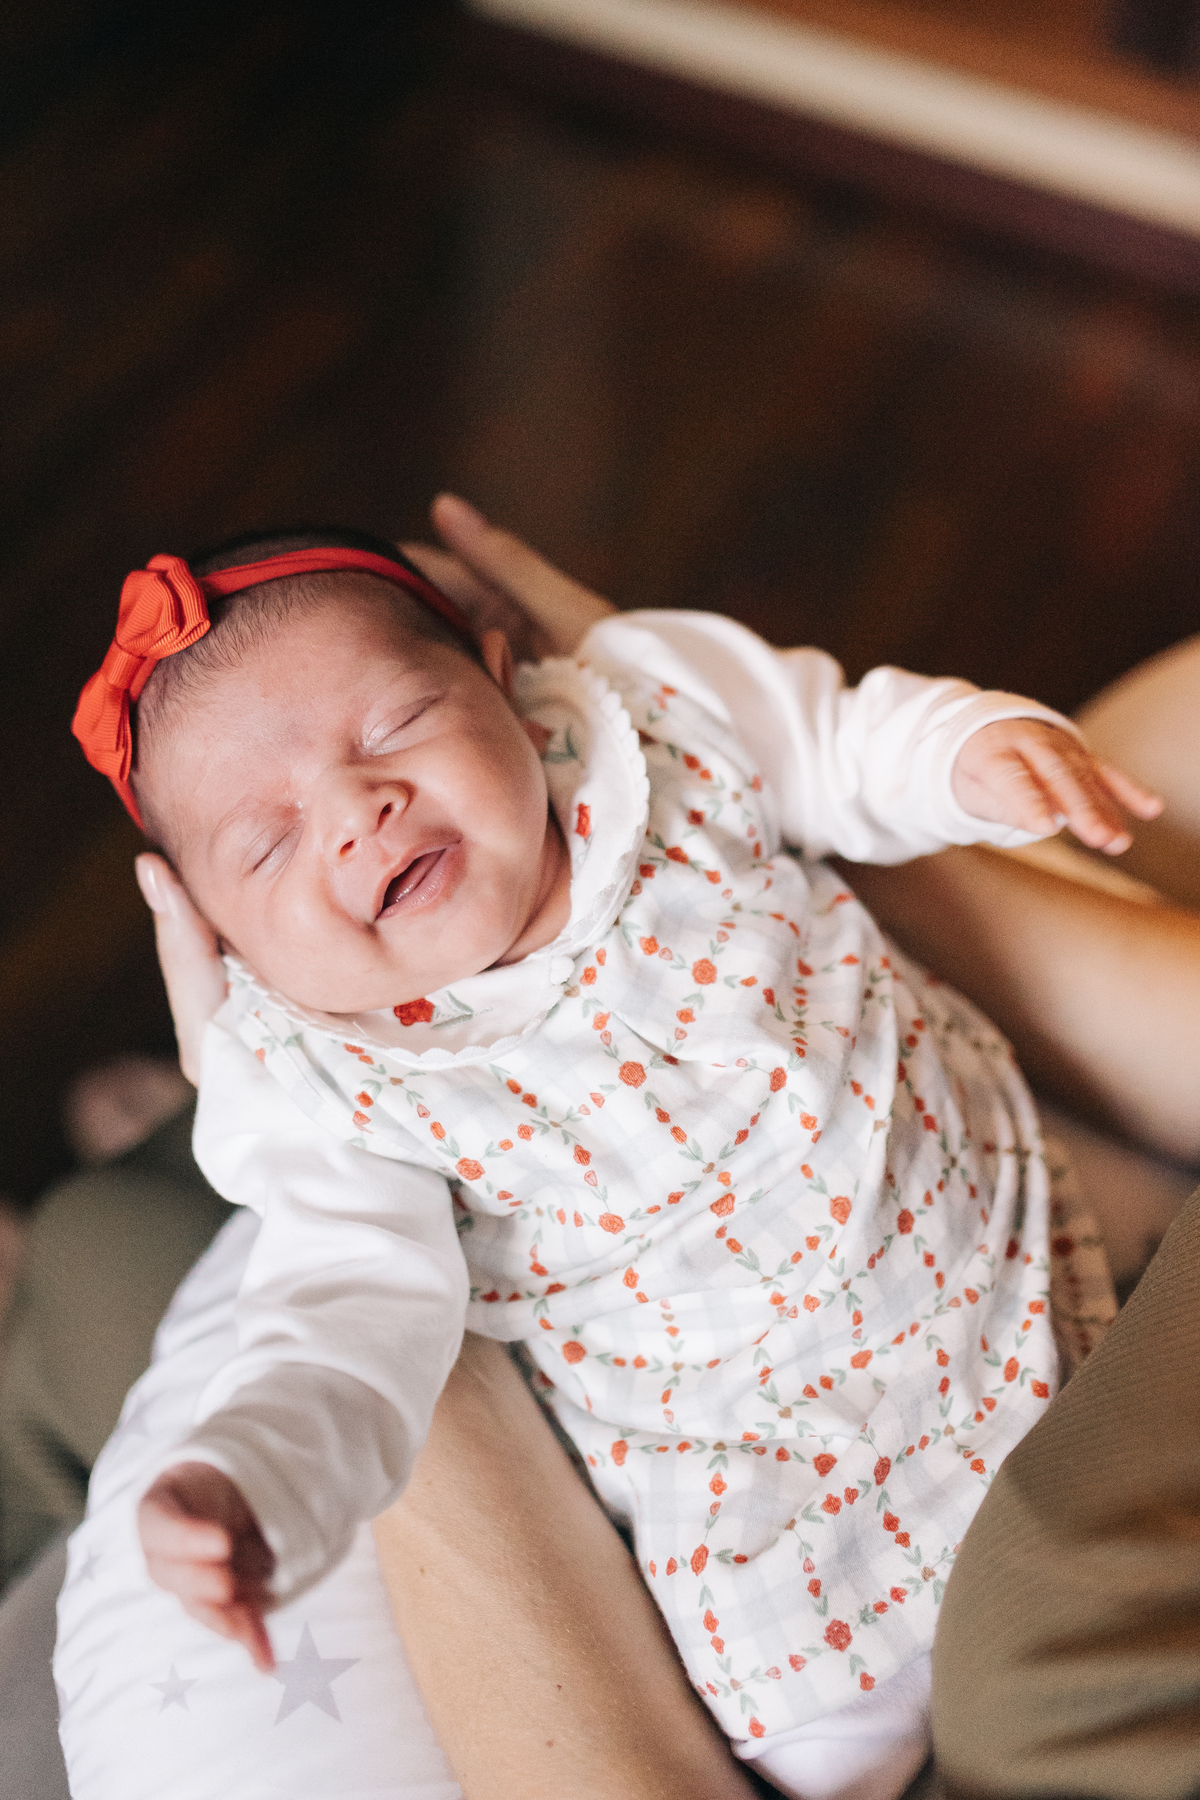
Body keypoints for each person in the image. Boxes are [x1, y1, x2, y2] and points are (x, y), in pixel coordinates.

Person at [60, 495, 1160, 1800]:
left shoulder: (648, 721)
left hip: (1003, 1248)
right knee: (839, 1751)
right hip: (783, 1505)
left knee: (98, 1244)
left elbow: (832, 736)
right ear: (221, 939)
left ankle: (113, 1156)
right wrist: (261, 1474)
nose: (356, 810)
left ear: (505, 679)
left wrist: (964, 753)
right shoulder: (326, 1090)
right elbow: (342, 1314)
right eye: (269, 842)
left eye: (393, 726)